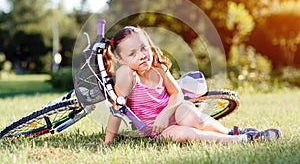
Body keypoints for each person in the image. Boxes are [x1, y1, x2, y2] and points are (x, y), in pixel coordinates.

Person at [103, 26, 281, 144]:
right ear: (120, 59)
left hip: (172, 113)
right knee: (183, 134)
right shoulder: (127, 74)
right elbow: (117, 108)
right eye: (132, 53)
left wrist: (165, 113)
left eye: (143, 48)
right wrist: (108, 142)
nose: (142, 55)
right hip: (157, 130)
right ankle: (244, 139)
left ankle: (232, 133)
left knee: (189, 114)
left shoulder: (157, 68)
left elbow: (177, 94)